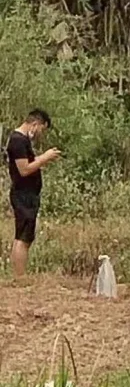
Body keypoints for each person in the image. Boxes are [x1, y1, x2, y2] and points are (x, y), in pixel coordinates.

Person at [6, 109, 57, 278]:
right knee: (23, 238)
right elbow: (24, 169)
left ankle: (18, 275)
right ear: (35, 124)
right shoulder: (18, 141)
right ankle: (19, 276)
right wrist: (45, 158)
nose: (40, 134)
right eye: (42, 129)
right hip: (23, 195)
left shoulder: (22, 141)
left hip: (28, 194)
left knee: (23, 235)